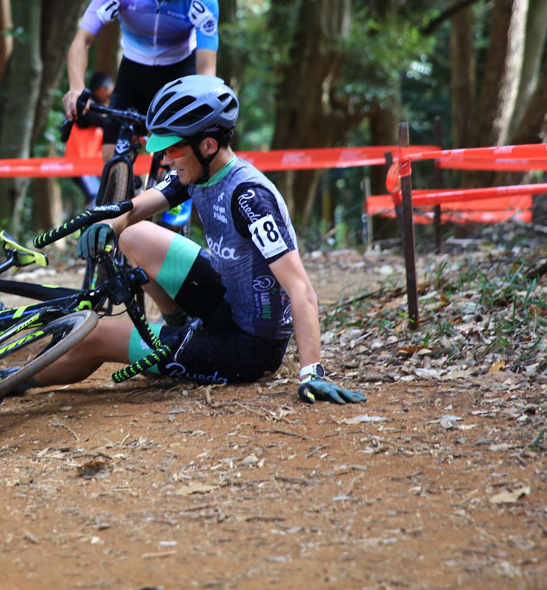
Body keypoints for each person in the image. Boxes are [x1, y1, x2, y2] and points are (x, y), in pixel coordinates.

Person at [32, 75, 365, 405]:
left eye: (174, 147)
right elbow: (144, 203)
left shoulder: (249, 198)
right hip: (224, 301)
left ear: (208, 145)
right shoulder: (198, 171)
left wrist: (312, 373)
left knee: (95, 338)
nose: (166, 159)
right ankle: (177, 328)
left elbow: (300, 288)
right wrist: (111, 224)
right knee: (132, 236)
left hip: (248, 345)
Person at [61, 0, 220, 228]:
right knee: (110, 156)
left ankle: (172, 217)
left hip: (179, 75)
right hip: (133, 72)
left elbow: (206, 69)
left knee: (182, 159)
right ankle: (117, 218)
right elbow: (82, 41)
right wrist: (77, 88)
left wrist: (204, 111)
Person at [67, 72, 115, 205]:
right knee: (95, 198)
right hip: (80, 165)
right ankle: (92, 225)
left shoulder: (94, 108)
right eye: (109, 89)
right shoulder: (86, 107)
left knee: (98, 197)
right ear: (100, 89)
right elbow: (104, 122)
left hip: (89, 166)